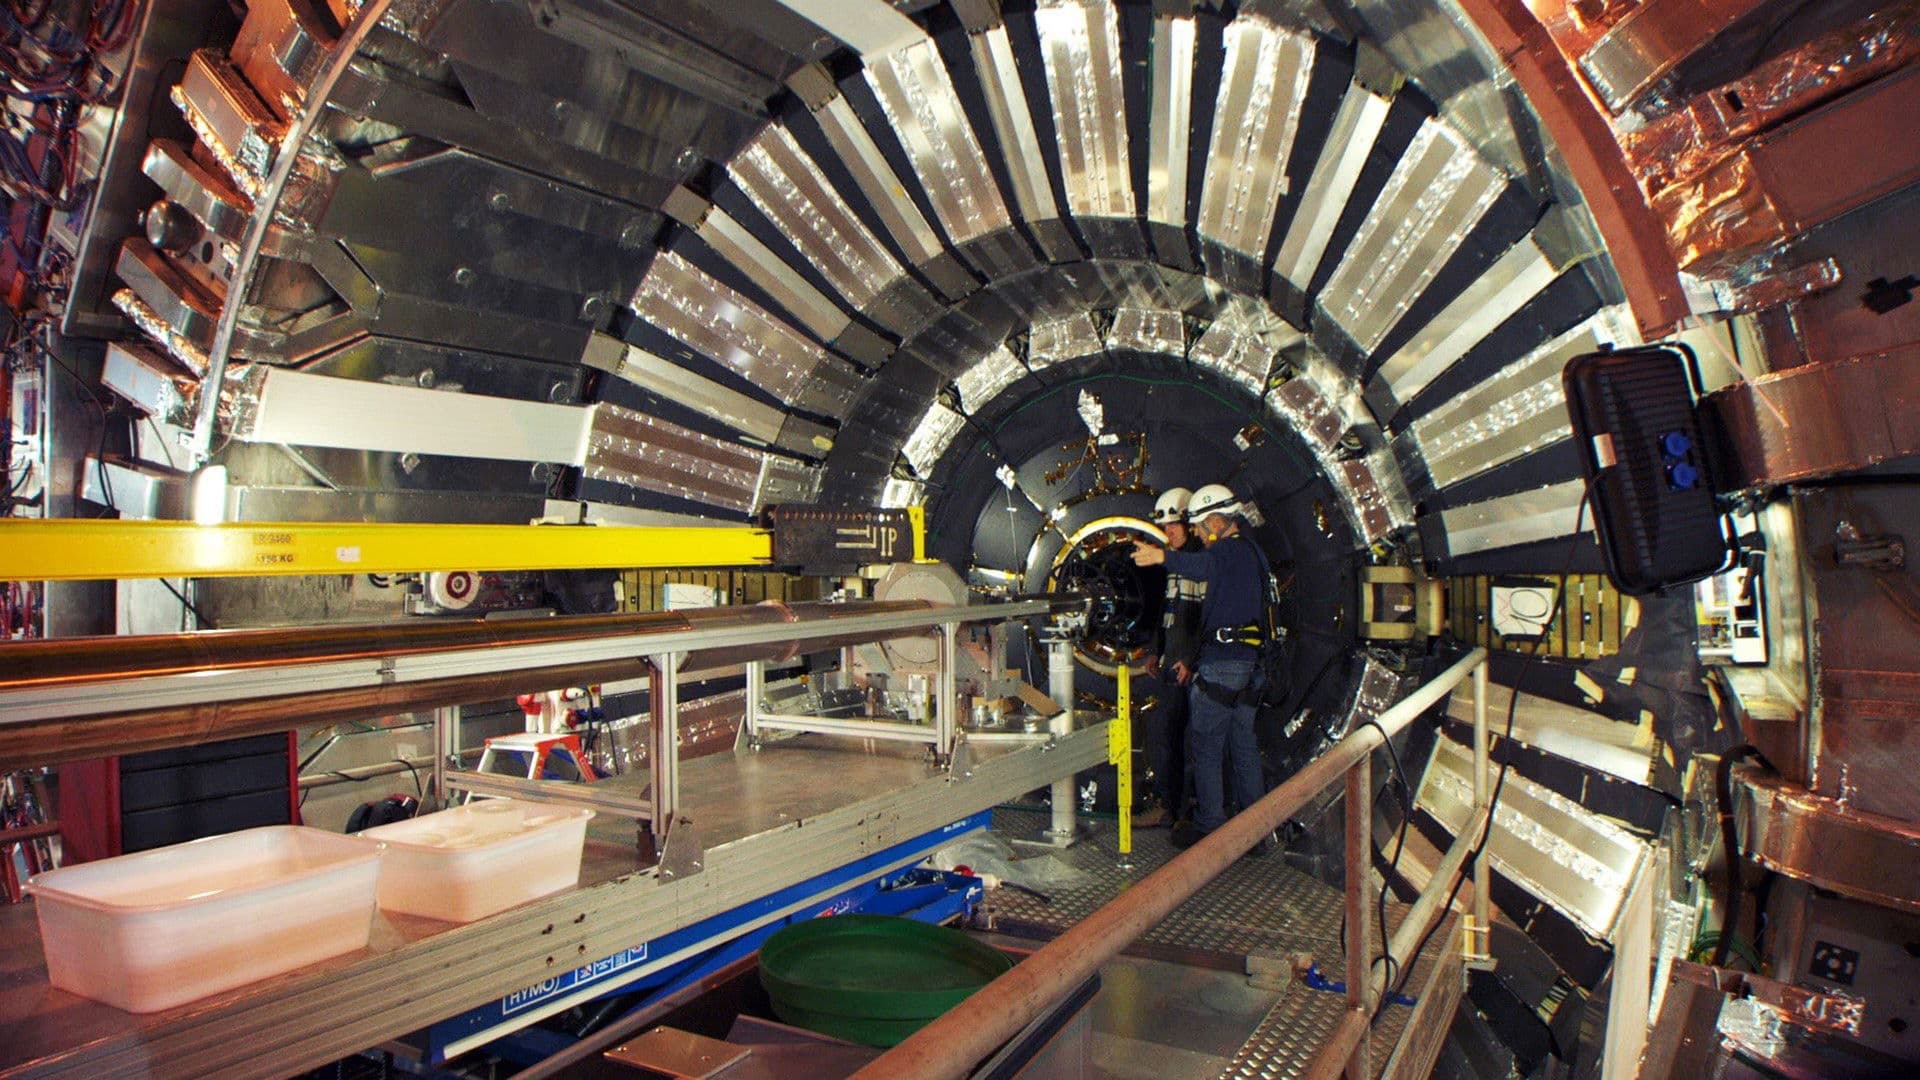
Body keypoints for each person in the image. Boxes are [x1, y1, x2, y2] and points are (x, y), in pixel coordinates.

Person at [1132, 483, 1271, 852]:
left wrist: (1161, 556)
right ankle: (1256, 834)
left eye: (1197, 525)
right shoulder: (1252, 553)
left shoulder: (1229, 551)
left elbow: (1202, 565)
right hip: (1249, 666)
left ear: (1217, 521)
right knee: (1243, 747)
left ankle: (1211, 829)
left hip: (1223, 665)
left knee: (1206, 748)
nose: (1196, 532)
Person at [1137, 487, 1204, 829]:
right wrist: (1155, 651)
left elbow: (1205, 618)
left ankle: (1189, 811)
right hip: (1171, 664)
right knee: (1166, 735)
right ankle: (1169, 807)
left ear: (1190, 524)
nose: (1168, 533)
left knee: (1190, 741)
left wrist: (1190, 660)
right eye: (1165, 528)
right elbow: (1168, 612)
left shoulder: (1200, 562)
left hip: (1189, 669)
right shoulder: (1173, 564)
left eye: (1174, 526)